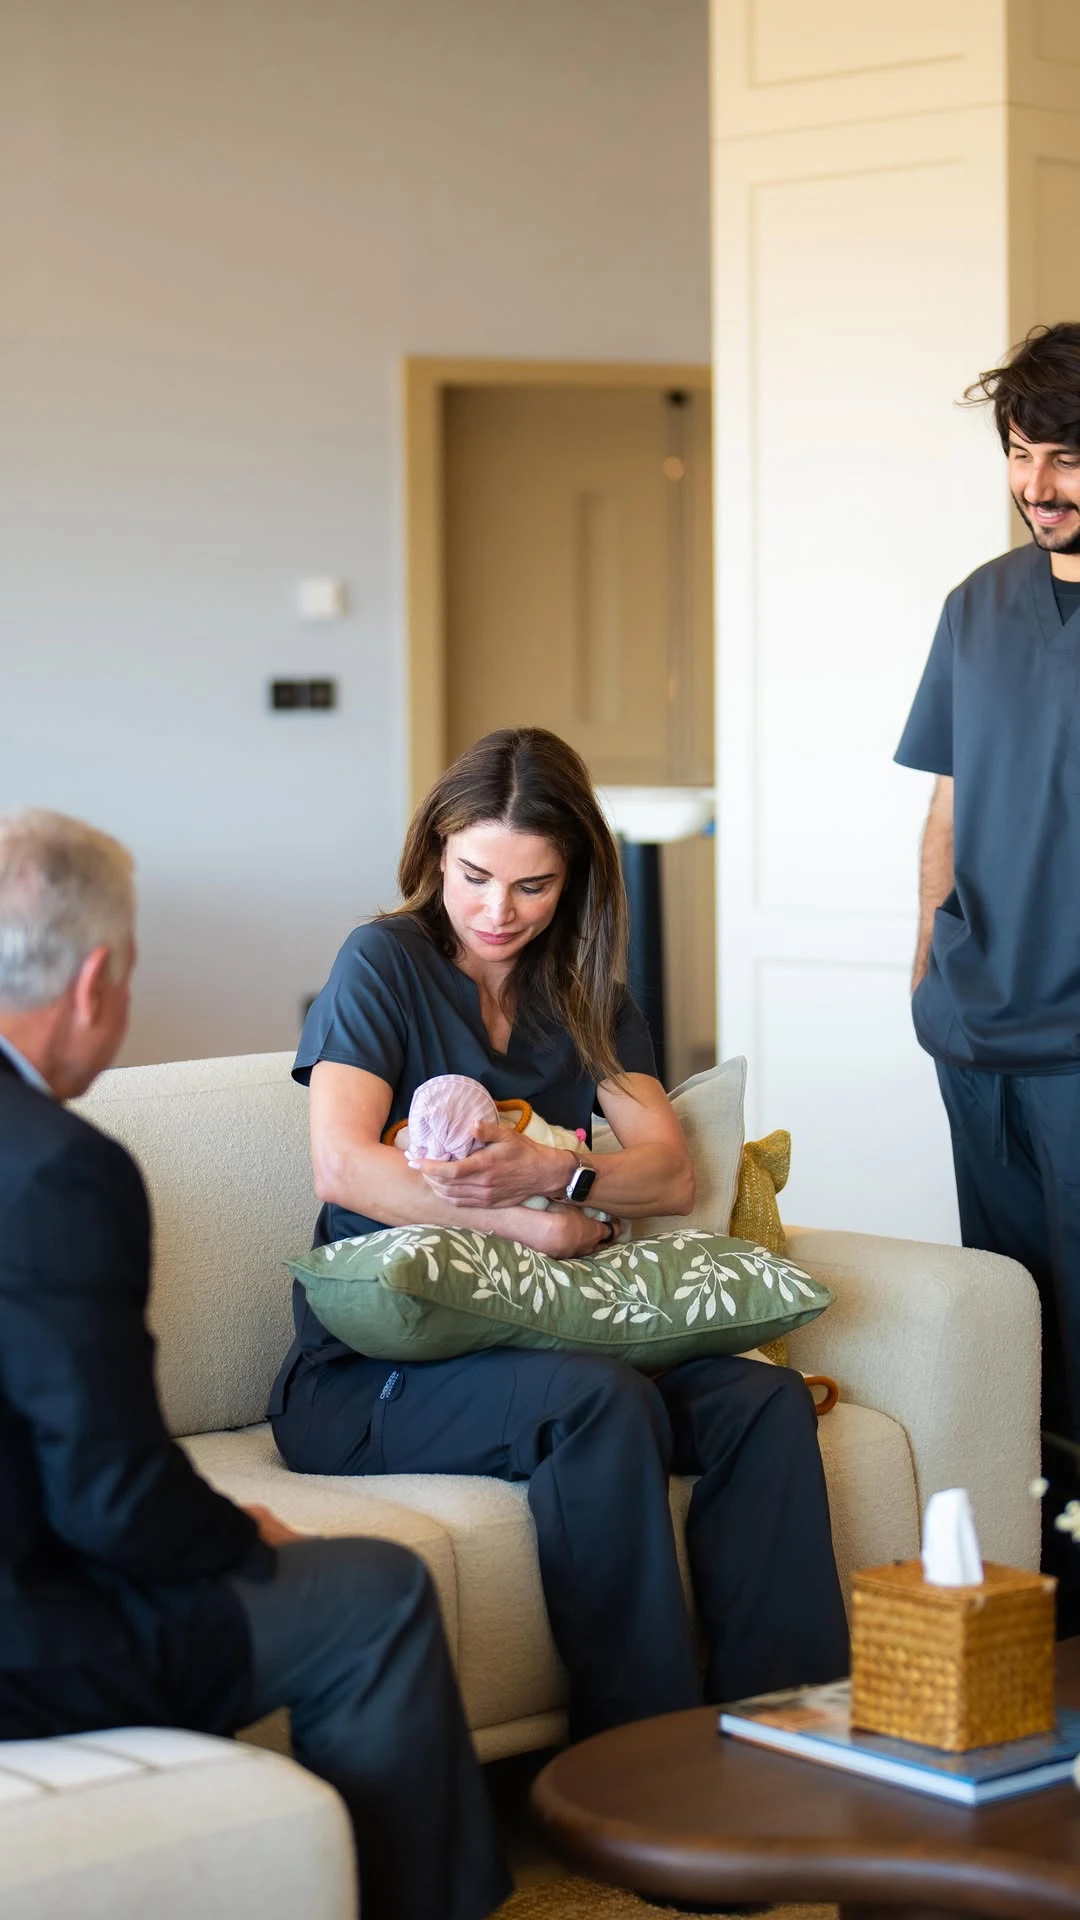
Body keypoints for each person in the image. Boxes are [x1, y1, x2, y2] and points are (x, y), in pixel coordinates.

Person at [269, 728, 848, 1738]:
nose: (499, 913)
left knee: (762, 1401)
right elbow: (345, 1164)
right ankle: (643, 1764)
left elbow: (668, 1171)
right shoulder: (384, 963)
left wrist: (557, 1170)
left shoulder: (585, 994)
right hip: (369, 1380)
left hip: (554, 1335)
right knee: (599, 1401)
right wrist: (527, 1226)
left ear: (573, 879)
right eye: (474, 876)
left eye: (532, 887)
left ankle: (790, 1735)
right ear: (434, 855)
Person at [0, 808, 510, 1920]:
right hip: (29, 1637)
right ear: (92, 984)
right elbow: (114, 1502)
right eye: (130, 975)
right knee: (375, 1591)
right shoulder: (58, 1174)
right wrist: (242, 1533)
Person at [896, 322, 1080, 1570]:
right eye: (1021, 452)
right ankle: (1043, 1604)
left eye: (1067, 457)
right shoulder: (979, 604)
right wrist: (922, 972)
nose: (1039, 486)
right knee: (1013, 1337)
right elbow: (948, 804)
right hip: (977, 1035)